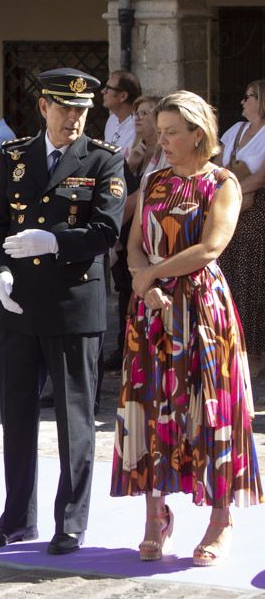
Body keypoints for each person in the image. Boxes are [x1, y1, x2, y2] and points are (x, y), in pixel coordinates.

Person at [0, 68, 125, 555]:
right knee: (15, 418)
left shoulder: (103, 161)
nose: (74, 120)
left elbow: (106, 230)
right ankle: (17, 516)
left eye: (83, 112)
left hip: (71, 305)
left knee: (74, 420)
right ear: (44, 108)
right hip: (17, 306)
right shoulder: (15, 157)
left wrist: (54, 241)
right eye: (65, 110)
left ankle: (71, 520)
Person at [111, 90, 263, 566]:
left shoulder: (223, 182)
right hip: (152, 311)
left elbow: (211, 248)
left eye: (172, 132)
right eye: (161, 132)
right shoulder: (154, 181)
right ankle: (156, 517)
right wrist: (142, 278)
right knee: (152, 409)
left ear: (199, 133)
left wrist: (152, 274)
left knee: (210, 409)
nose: (164, 140)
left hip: (202, 309)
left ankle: (221, 520)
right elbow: (134, 242)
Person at [106, 94, 165, 372]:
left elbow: (140, 196)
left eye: (144, 113)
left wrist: (112, 234)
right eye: (136, 114)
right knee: (126, 292)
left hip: (155, 232)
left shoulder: (166, 154)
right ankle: (126, 347)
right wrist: (133, 164)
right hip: (134, 229)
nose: (138, 118)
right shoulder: (135, 150)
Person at [216, 79, 265, 377]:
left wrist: (231, 192)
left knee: (251, 278)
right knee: (229, 274)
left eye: (248, 97)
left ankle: (254, 352)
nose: (243, 102)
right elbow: (218, 165)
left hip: (254, 212)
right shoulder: (234, 130)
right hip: (229, 207)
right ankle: (230, 345)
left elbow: (260, 178)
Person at [101, 69, 141, 151]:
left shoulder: (139, 126)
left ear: (123, 96)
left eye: (108, 88)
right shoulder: (111, 120)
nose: (103, 91)